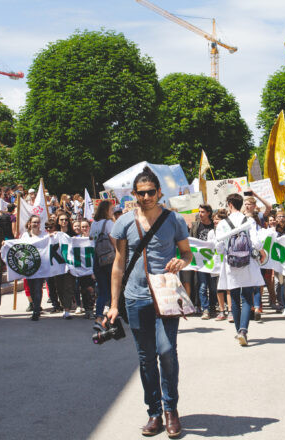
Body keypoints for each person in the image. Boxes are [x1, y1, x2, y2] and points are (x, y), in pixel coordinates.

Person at [108, 166, 192, 438]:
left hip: (166, 296)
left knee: (166, 352)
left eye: (151, 192)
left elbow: (187, 254)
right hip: (135, 297)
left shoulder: (174, 220)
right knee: (145, 359)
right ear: (134, 194)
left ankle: (171, 410)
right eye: (141, 193)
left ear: (159, 192)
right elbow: (119, 264)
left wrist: (182, 261)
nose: (146, 197)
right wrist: (113, 304)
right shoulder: (123, 223)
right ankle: (154, 412)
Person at [214, 193, 266, 346]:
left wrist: (226, 252)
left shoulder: (223, 223)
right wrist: (261, 253)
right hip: (248, 262)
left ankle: (239, 331)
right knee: (247, 297)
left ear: (230, 204)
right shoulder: (249, 220)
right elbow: (256, 243)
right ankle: (243, 330)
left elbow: (219, 247)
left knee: (235, 297)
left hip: (231, 264)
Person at [90, 200, 115, 329]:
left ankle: (98, 317)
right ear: (106, 210)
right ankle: (111, 319)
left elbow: (91, 239)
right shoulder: (109, 223)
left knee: (102, 291)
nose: (113, 212)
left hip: (97, 259)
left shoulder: (94, 224)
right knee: (112, 290)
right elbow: (113, 240)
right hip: (109, 260)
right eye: (111, 209)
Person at [190, 204, 216, 320]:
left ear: (209, 213)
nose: (200, 214)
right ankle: (205, 309)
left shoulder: (214, 225)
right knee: (202, 285)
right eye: (199, 212)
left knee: (213, 286)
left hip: (213, 260)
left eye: (203, 212)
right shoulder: (195, 226)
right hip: (200, 261)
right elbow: (191, 242)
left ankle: (212, 307)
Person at [21, 215, 48, 321]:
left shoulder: (44, 235)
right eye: (34, 222)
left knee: (38, 287)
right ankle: (34, 304)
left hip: (40, 266)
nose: (36, 224)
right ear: (29, 223)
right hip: (29, 266)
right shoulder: (25, 236)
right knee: (32, 288)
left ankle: (36, 309)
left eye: (38, 222)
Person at [208, 209, 231, 321]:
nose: (215, 221)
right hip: (216, 263)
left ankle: (230, 311)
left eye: (217, 219)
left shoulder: (228, 231)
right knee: (219, 288)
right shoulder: (211, 233)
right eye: (214, 219)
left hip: (227, 262)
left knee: (228, 287)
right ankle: (221, 311)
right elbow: (208, 247)